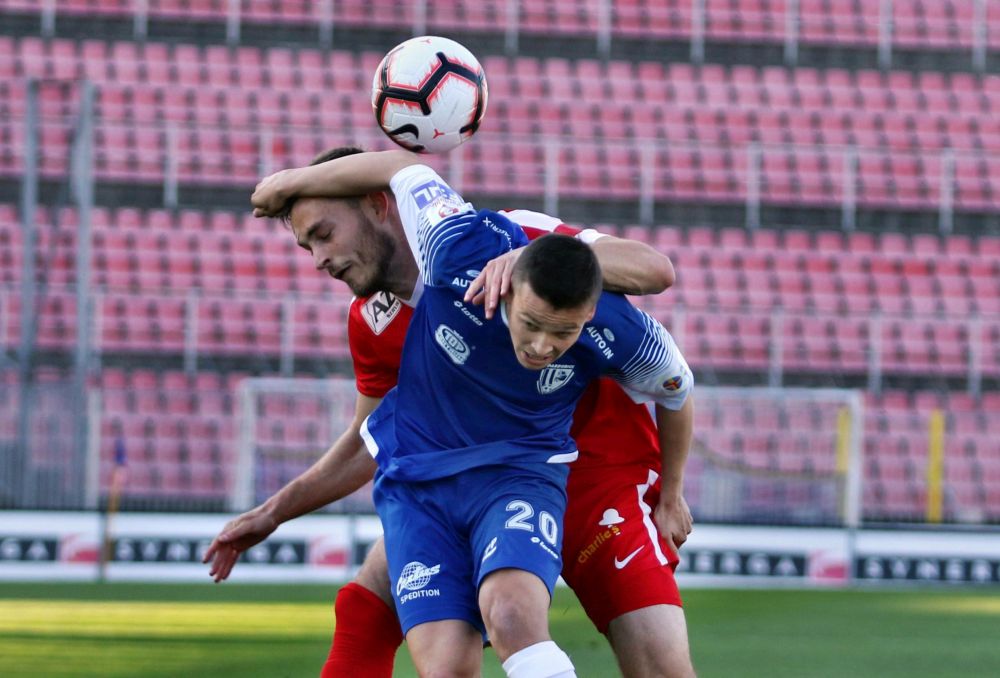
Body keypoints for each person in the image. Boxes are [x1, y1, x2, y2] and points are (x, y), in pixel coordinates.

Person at [206, 149, 696, 677]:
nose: (319, 259)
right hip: (471, 477)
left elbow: (653, 271)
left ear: (378, 205)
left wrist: (528, 257)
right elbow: (374, 439)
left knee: (658, 667)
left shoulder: (496, 241)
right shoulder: (373, 322)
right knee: (384, 608)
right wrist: (274, 511)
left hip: (595, 475)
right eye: (308, 246)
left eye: (324, 234)